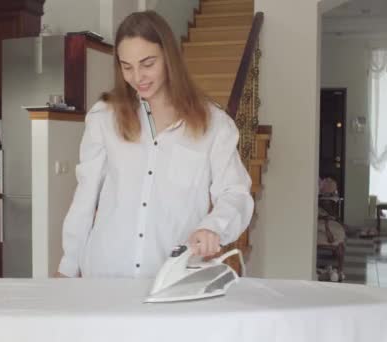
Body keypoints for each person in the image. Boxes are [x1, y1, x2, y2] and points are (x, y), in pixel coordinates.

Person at [57, 11, 254, 278]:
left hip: (173, 278)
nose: (138, 77)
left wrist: (213, 227)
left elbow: (235, 192)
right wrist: (68, 267)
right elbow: (85, 197)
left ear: (169, 57)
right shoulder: (104, 116)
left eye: (147, 63)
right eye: (127, 66)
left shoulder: (214, 124)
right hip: (105, 274)